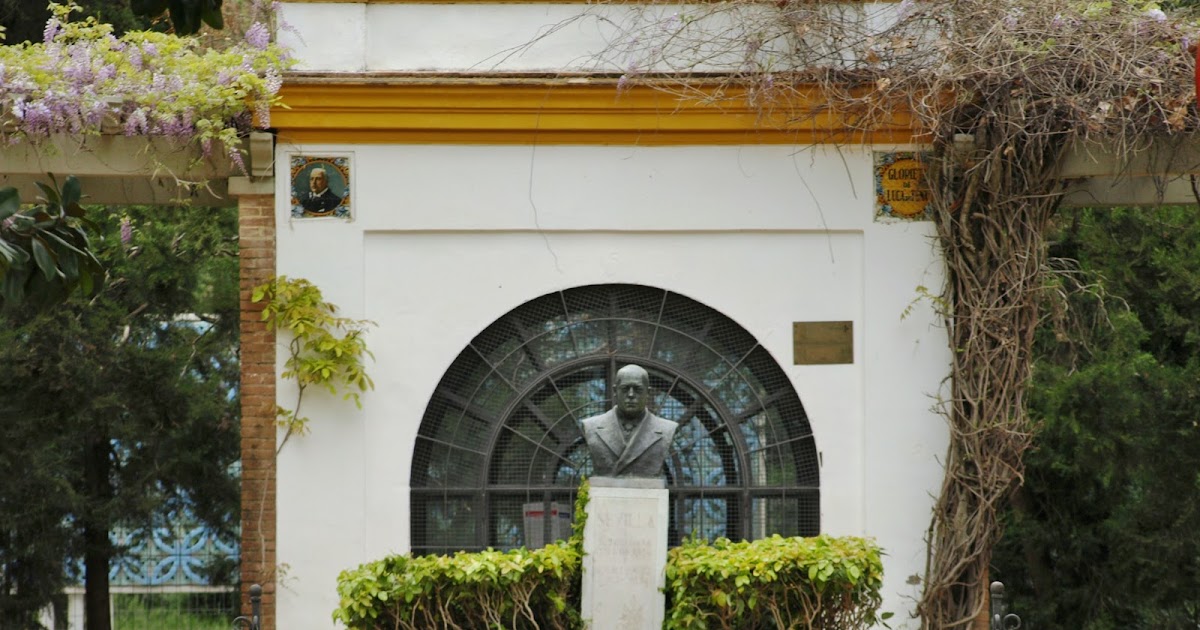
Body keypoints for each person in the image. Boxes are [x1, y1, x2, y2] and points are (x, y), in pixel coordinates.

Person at [581, 364, 677, 478]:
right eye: (625, 389)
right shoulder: (592, 426)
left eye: (638, 389)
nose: (631, 395)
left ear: (648, 392)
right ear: (615, 391)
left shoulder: (666, 429)